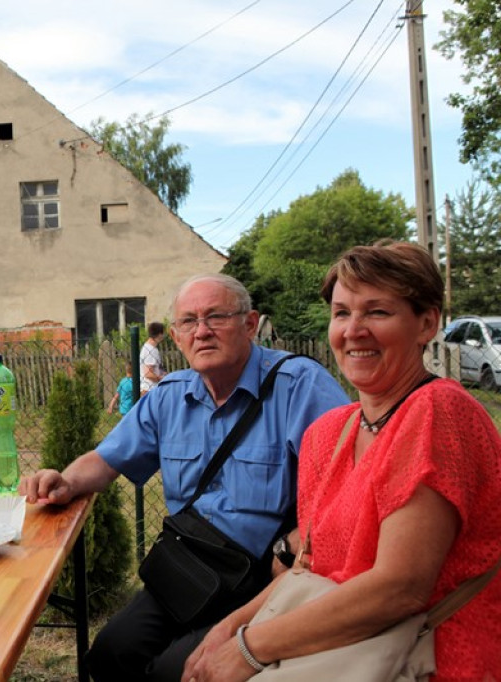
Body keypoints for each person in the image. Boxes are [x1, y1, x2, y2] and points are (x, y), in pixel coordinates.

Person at [182, 242, 501, 682]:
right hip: (334, 648)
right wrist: (227, 629)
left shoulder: (438, 410)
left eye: (377, 312)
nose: (354, 330)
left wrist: (248, 648)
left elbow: (400, 589)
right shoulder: (329, 433)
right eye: (342, 313)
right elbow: (307, 568)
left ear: (427, 322)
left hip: (426, 658)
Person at [19, 274, 350, 682]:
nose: (203, 331)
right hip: (190, 572)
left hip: (267, 580)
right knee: (109, 653)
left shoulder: (300, 386)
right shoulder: (168, 397)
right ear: (176, 337)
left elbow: (350, 488)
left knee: (179, 671)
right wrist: (65, 481)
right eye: (189, 322)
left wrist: (295, 543)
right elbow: (105, 459)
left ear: (250, 324)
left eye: (216, 317)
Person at [140, 321, 168, 396]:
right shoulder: (151, 350)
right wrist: (162, 378)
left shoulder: (148, 347)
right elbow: (148, 374)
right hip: (150, 390)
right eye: (163, 333)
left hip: (149, 389)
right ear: (159, 334)